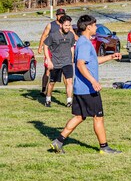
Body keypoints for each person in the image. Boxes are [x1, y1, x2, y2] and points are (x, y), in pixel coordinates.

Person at [50, 15, 122, 154]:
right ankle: (104, 147)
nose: (96, 27)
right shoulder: (83, 43)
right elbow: (80, 64)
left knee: (79, 116)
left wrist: (111, 56)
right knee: (98, 117)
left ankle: (58, 142)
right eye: (95, 25)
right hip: (88, 89)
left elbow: (93, 61)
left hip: (80, 89)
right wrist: (93, 81)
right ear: (88, 27)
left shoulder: (85, 42)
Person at [43, 14, 75, 107]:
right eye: (66, 25)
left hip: (67, 62)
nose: (68, 27)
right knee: (52, 82)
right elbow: (45, 46)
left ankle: (69, 101)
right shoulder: (53, 35)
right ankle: (48, 99)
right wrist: (49, 60)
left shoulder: (71, 35)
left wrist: (72, 59)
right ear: (61, 25)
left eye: (69, 25)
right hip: (56, 62)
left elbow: (72, 47)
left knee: (69, 81)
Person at [38, 8, 67, 94]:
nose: (61, 16)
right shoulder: (50, 25)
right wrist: (40, 47)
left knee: (65, 71)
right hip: (51, 51)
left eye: (63, 15)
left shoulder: (66, 25)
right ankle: (43, 89)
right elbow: (44, 36)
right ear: (57, 16)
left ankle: (68, 90)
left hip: (62, 52)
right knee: (47, 70)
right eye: (60, 15)